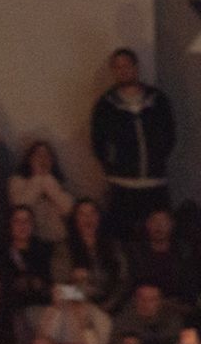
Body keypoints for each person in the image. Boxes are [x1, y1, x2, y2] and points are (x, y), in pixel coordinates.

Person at [90, 47, 176, 240]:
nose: (123, 70)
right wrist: (113, 166)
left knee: (159, 236)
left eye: (127, 65)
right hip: (122, 186)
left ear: (135, 67)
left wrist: (158, 157)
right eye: (118, 67)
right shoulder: (106, 105)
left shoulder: (157, 100)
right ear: (113, 71)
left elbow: (170, 134)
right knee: (123, 237)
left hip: (155, 182)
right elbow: (98, 142)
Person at [9, 141, 75, 245]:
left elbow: (70, 209)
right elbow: (19, 206)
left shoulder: (58, 183)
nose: (43, 158)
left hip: (59, 241)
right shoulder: (17, 181)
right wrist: (39, 179)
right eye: (38, 155)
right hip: (29, 242)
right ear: (29, 159)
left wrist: (48, 182)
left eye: (47, 155)